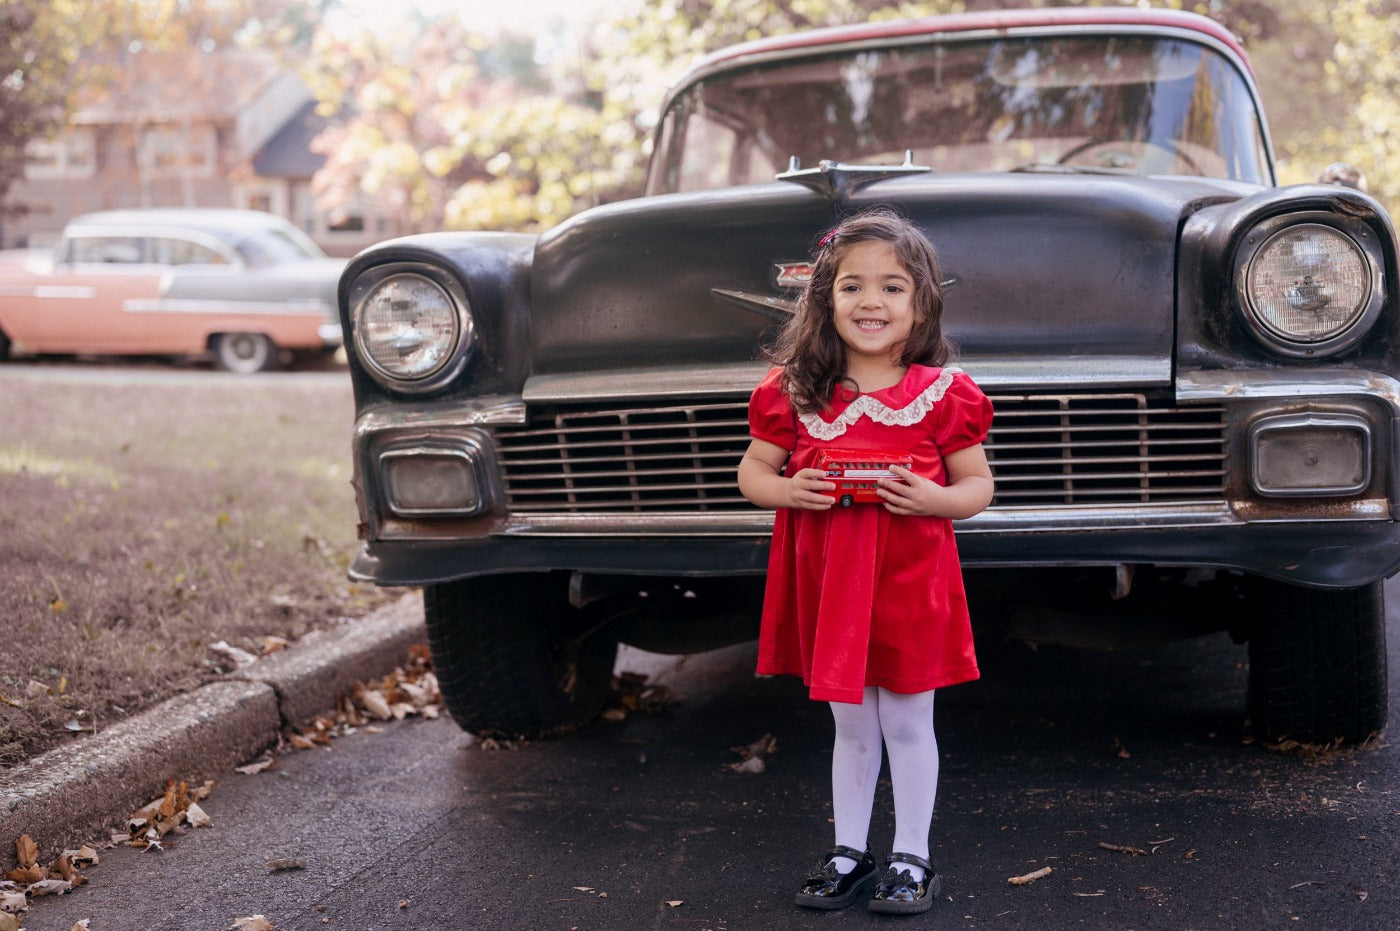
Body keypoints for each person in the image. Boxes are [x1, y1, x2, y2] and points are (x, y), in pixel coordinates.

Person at [737, 207, 994, 915]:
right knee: (850, 725)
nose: (871, 302)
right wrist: (788, 488)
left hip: (909, 579)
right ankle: (850, 850)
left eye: (892, 287)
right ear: (825, 299)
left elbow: (978, 485)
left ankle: (912, 855)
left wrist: (933, 498)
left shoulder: (943, 394)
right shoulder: (794, 390)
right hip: (831, 584)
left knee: (909, 721)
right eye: (852, 287)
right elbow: (752, 472)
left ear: (921, 303)